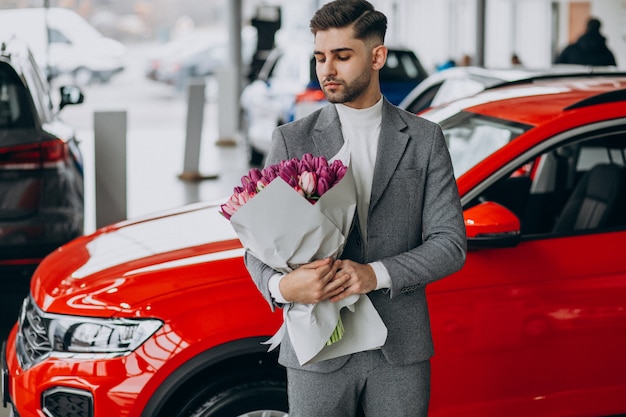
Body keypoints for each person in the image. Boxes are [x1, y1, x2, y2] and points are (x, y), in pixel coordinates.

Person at [244, 1, 466, 416]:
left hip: (398, 348)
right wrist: (280, 289)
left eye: (342, 56)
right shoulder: (291, 139)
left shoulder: (425, 139)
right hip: (317, 347)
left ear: (376, 56)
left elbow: (450, 244)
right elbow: (257, 244)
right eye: (320, 57)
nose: (327, 69)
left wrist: (373, 274)